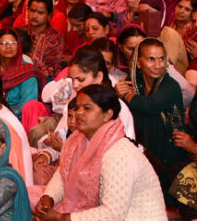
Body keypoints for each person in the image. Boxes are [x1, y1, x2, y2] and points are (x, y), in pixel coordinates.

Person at [35, 84, 167, 221]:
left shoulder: (119, 153)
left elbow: (113, 214)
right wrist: (48, 198)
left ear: (107, 115)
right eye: (78, 108)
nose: (79, 112)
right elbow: (63, 176)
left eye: (87, 108)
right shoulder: (78, 141)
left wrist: (62, 218)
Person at [115, 37, 188, 198]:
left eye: (161, 59)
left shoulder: (170, 86)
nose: (158, 65)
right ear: (138, 63)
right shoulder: (133, 82)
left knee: (150, 116)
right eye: (151, 59)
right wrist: (116, 93)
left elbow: (151, 106)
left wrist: (126, 96)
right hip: (142, 146)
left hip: (170, 150)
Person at [0, 28, 41, 120]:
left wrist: (2, 114)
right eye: (3, 43)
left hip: (19, 120)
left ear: (18, 46)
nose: (8, 46)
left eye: (13, 43)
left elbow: (28, 104)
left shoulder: (27, 71)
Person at [22, 0, 65, 79]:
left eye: (40, 13)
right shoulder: (20, 32)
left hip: (43, 80)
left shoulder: (55, 37)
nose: (35, 15)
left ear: (49, 15)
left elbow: (51, 69)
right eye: (32, 11)